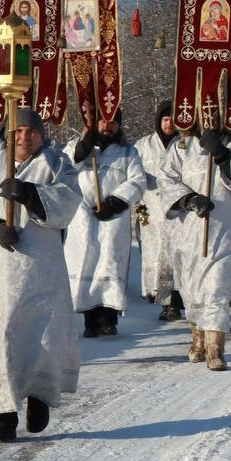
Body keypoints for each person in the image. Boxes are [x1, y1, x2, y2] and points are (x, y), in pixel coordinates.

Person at [0, 108, 81, 443]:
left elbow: (69, 201)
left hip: (40, 268)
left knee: (40, 334)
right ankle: (3, 416)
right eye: (17, 132)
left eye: (31, 132)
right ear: (7, 135)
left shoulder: (56, 163)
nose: (24, 138)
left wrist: (30, 194)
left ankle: (38, 396)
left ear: (42, 135)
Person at [159, 119, 231, 371]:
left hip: (224, 228)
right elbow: (166, 179)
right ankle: (198, 339)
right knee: (192, 287)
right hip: (189, 230)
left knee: (216, 287)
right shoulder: (181, 147)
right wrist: (189, 199)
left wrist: (224, 155)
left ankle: (216, 348)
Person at [63, 111, 146, 337]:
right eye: (103, 120)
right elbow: (62, 169)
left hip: (112, 217)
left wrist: (117, 201)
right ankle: (90, 320)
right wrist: (83, 149)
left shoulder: (128, 152)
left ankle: (109, 319)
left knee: (110, 262)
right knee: (87, 262)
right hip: (83, 216)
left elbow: (138, 180)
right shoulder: (76, 146)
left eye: (113, 122)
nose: (107, 126)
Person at [134, 101, 181, 319]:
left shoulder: (184, 144)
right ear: (158, 121)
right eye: (164, 119)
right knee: (154, 255)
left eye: (172, 118)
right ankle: (161, 298)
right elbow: (134, 174)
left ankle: (175, 300)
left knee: (175, 256)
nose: (168, 123)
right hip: (150, 210)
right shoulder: (143, 145)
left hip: (177, 211)